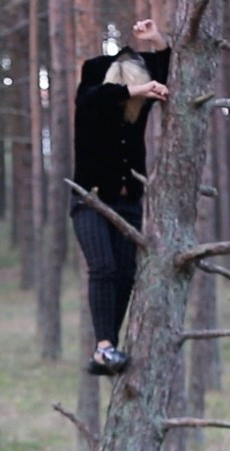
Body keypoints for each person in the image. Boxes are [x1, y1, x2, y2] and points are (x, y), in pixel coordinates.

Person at [71, 19, 170, 376]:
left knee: (126, 271)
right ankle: (104, 347)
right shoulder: (93, 99)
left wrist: (156, 39)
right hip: (90, 201)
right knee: (104, 267)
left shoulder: (137, 111)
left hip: (129, 201)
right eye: (130, 88)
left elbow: (166, 71)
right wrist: (135, 90)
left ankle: (106, 351)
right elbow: (94, 97)